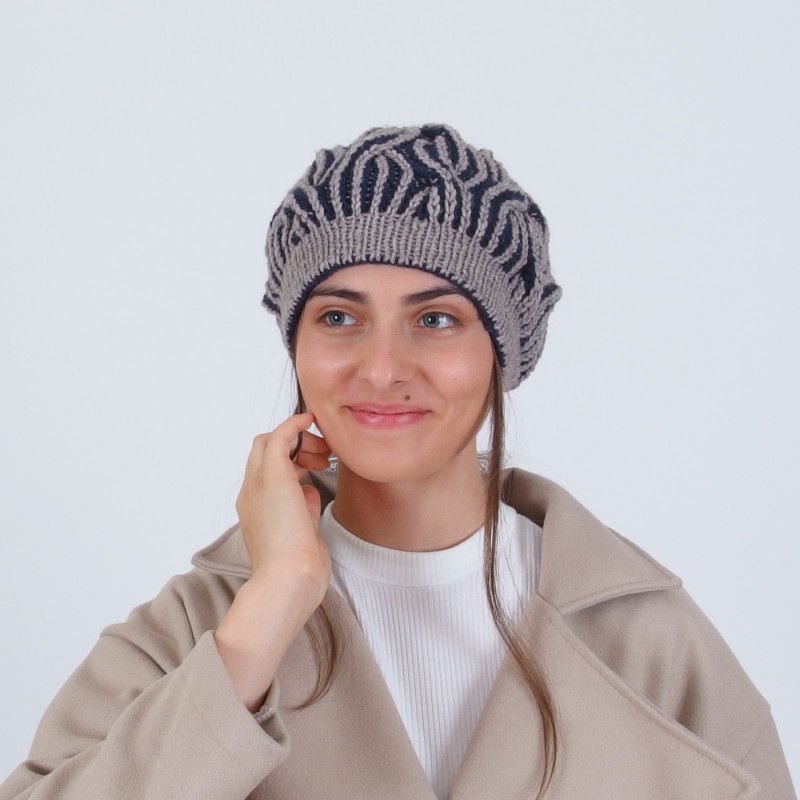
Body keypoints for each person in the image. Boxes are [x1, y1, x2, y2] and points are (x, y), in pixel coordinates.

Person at [0, 124, 794, 800]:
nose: (382, 369)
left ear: (504, 351)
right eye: (338, 317)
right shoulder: (197, 628)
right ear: (296, 343)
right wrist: (275, 598)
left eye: (437, 319)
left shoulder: (648, 643)